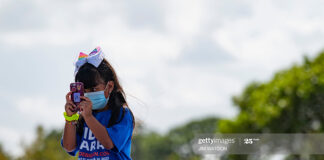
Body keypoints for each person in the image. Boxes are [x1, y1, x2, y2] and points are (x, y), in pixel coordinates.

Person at [61, 46, 135, 160]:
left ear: (109, 86)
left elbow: (109, 143)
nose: (88, 94)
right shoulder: (82, 118)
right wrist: (70, 118)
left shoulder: (123, 114)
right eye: (84, 91)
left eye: (94, 89)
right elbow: (69, 147)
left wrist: (89, 117)